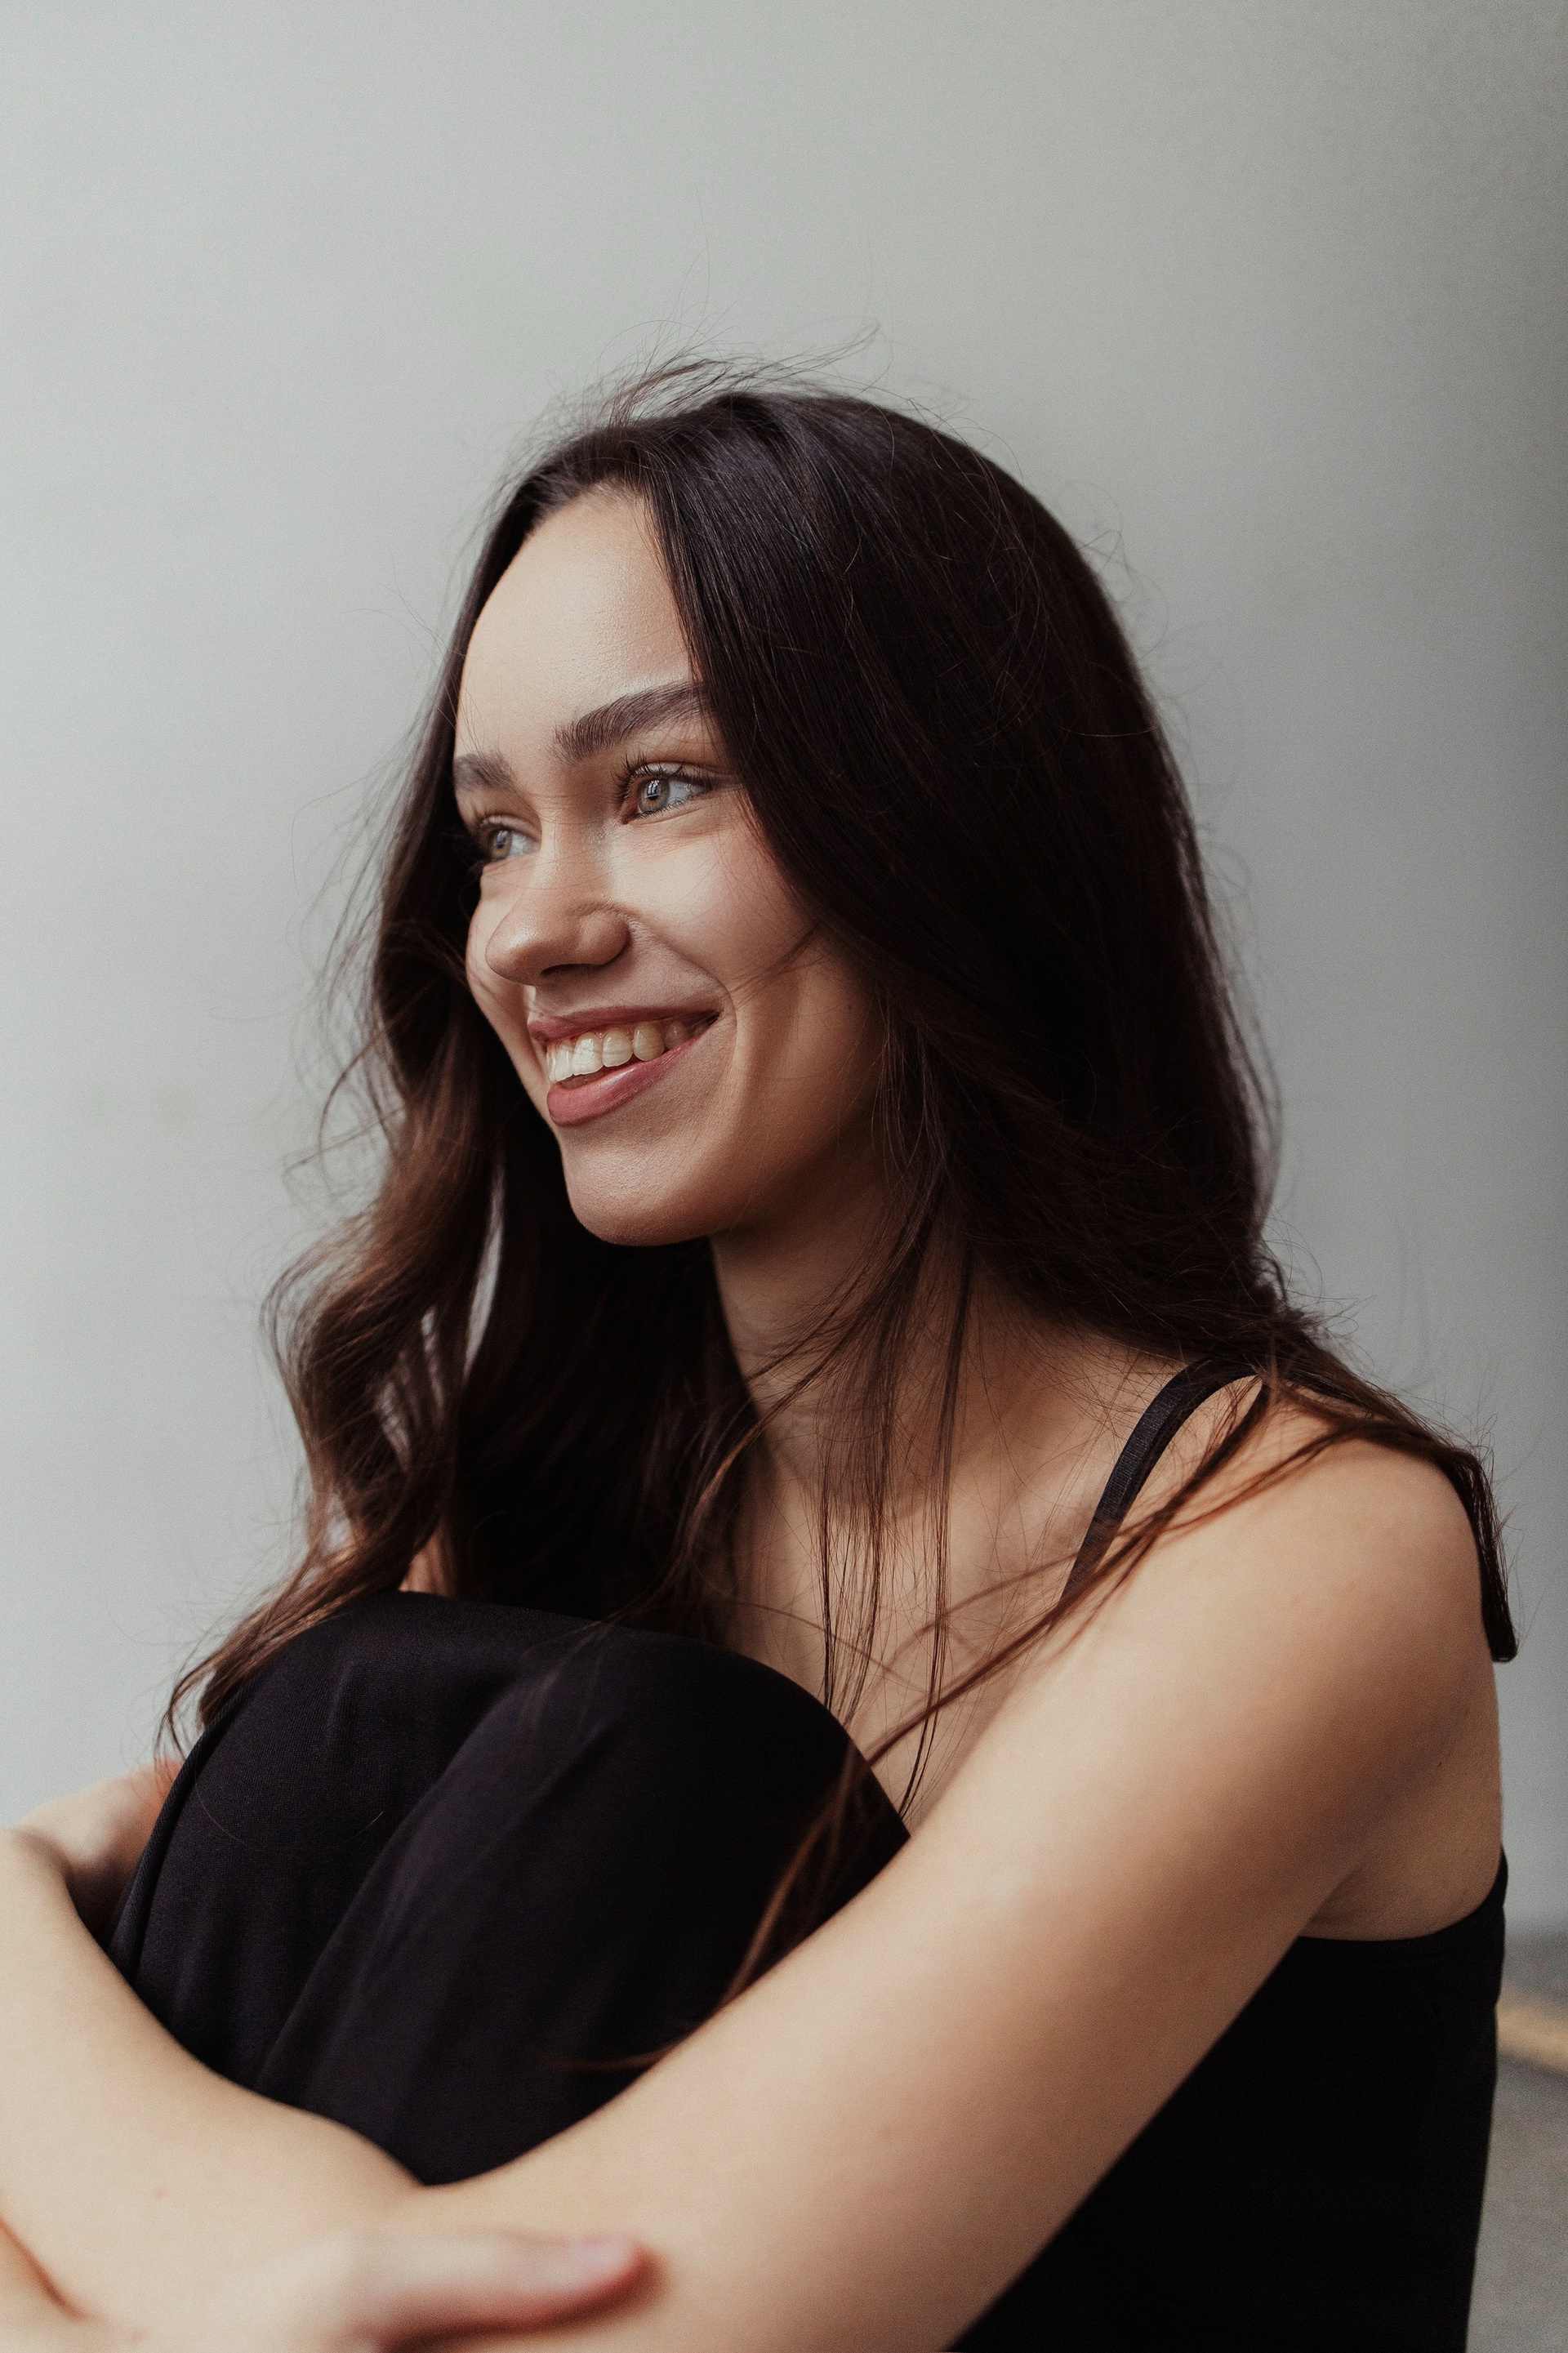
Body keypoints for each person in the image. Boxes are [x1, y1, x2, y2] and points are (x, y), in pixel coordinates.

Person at [0, 368, 1514, 2353]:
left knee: (666, 1758)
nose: (526, 932)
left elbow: (534, 2331)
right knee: (364, 1713)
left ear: (945, 817)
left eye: (659, 787)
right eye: (493, 834)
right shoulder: (581, 1501)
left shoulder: (1302, 1548)